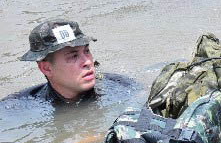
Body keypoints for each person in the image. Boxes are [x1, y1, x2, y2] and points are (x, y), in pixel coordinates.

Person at [5, 19, 135, 104]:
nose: (88, 62)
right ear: (46, 68)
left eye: (86, 51)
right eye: (73, 56)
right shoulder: (20, 105)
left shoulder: (124, 88)